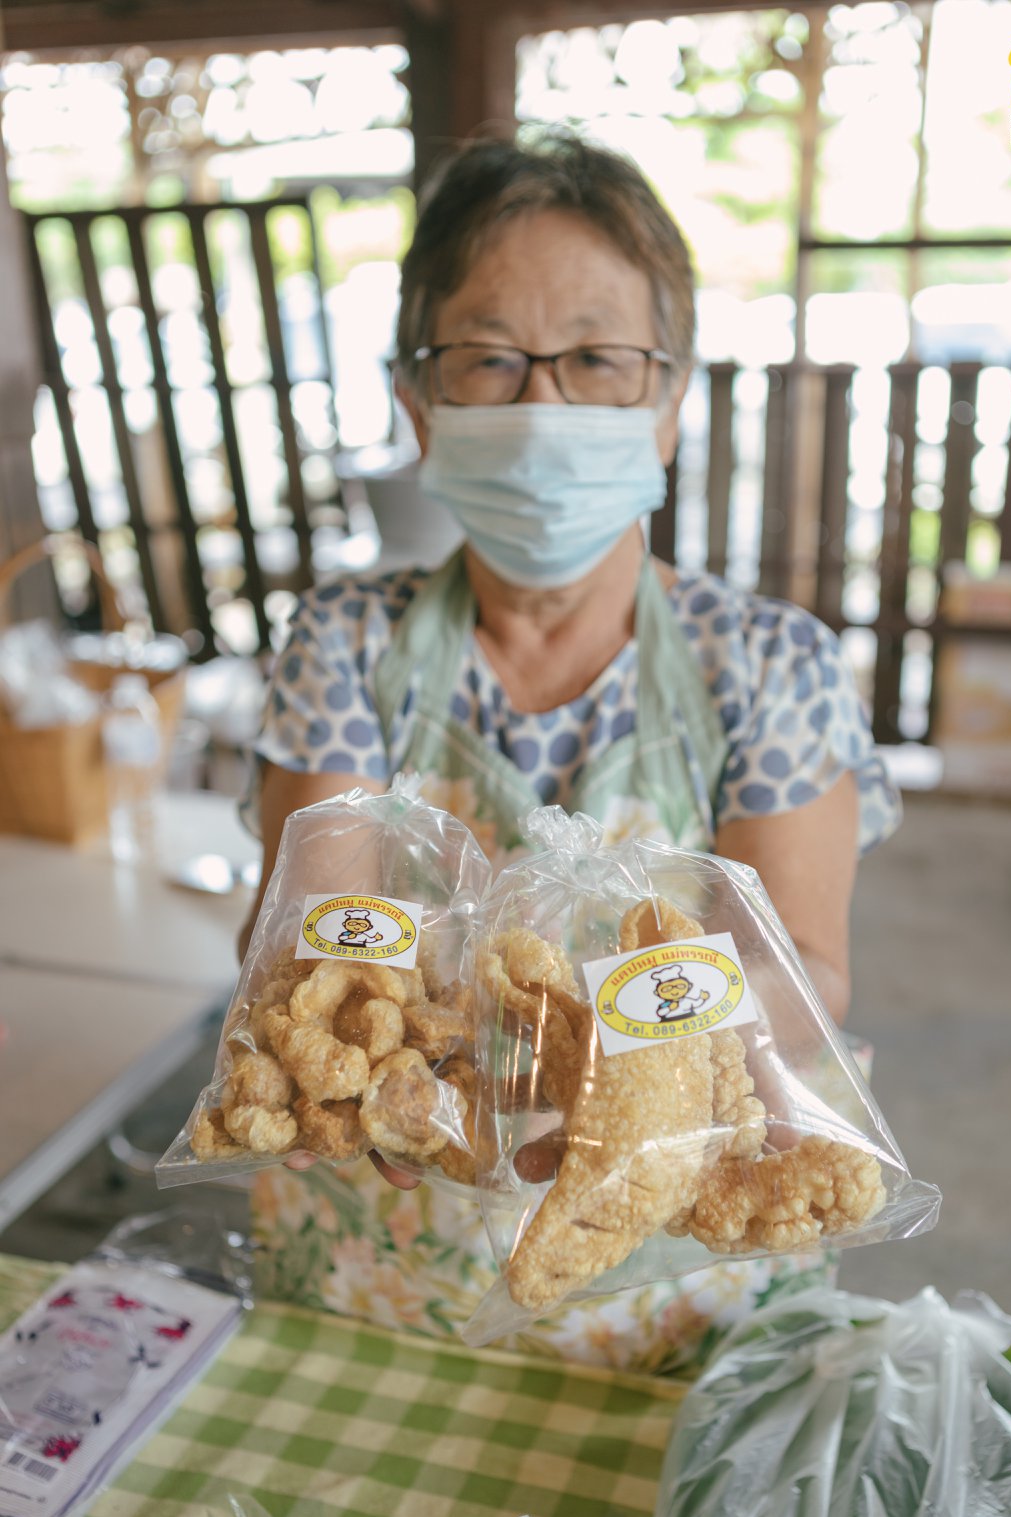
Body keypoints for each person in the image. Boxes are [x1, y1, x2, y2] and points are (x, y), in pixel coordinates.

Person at [239, 132, 901, 1375]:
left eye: (597, 358)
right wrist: (428, 1070)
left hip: (675, 1250)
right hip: (383, 1238)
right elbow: (306, 943)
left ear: (668, 402)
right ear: (419, 403)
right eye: (490, 358)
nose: (543, 406)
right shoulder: (344, 641)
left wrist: (616, 1073)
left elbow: (802, 967)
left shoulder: (771, 664)